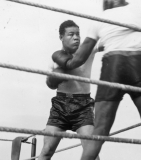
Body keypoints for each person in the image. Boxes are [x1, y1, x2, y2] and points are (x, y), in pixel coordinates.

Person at [53, 0, 141, 160]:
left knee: (99, 131)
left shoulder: (102, 18)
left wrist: (64, 61)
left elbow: (77, 60)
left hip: (114, 65)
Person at [38, 20, 100, 160]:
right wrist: (55, 77)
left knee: (91, 153)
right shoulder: (54, 59)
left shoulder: (87, 52)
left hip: (83, 106)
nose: (76, 37)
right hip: (60, 105)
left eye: (78, 34)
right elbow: (50, 84)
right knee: (46, 151)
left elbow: (105, 43)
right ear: (61, 37)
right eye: (71, 34)